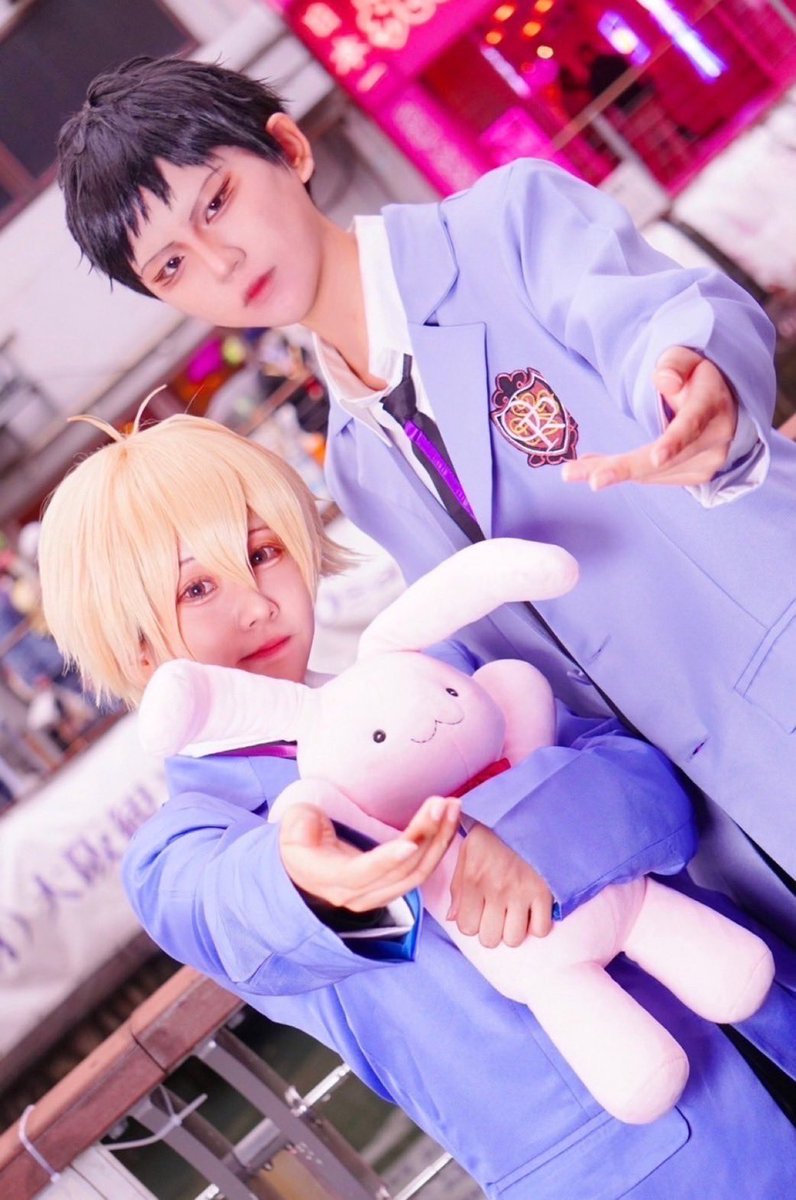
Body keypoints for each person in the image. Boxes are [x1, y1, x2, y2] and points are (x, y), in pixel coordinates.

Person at [55, 57, 796, 952]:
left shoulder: (506, 225)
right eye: (173, 265)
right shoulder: (356, 465)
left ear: (288, 148)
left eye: (217, 202)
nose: (221, 261)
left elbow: (658, 318)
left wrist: (695, 380)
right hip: (730, 842)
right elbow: (530, 674)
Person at [37, 410, 796, 1197]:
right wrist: (310, 875)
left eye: (263, 553)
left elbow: (652, 789)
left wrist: (515, 838)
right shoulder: (183, 849)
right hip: (651, 1168)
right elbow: (233, 907)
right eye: (197, 588)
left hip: (769, 1016)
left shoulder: (436, 673)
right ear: (132, 640)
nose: (256, 605)